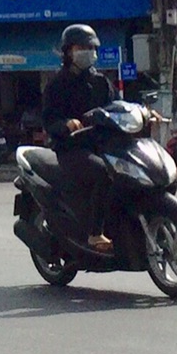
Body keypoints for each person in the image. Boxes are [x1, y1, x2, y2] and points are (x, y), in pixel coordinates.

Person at [41, 23, 116, 253]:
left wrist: (144, 112)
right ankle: (95, 234)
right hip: (72, 149)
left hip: (102, 144)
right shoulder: (57, 84)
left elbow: (118, 105)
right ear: (68, 51)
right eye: (82, 47)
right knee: (103, 172)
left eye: (92, 47)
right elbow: (48, 120)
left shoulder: (100, 82)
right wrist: (65, 124)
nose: (89, 52)